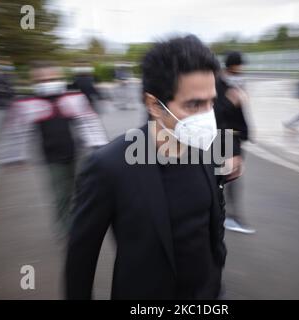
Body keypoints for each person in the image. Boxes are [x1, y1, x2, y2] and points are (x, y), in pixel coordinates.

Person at [65, 35, 230, 300]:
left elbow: (214, 216)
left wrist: (217, 267)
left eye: (212, 102)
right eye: (194, 104)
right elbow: (80, 259)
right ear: (154, 105)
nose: (207, 116)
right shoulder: (109, 166)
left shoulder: (205, 148)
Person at [0, 61, 108, 236]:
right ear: (34, 80)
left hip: (76, 154)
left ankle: (80, 223)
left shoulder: (72, 99)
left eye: (54, 77)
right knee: (61, 195)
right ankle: (68, 233)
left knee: (81, 191)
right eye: (43, 79)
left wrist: (98, 145)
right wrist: (13, 157)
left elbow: (89, 122)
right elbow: (16, 130)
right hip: (52, 159)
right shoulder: (28, 104)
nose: (49, 82)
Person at [214, 51, 255, 234]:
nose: (241, 70)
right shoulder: (217, 84)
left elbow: (241, 111)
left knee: (225, 176)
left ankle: (220, 214)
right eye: (239, 66)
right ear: (231, 66)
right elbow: (215, 113)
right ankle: (230, 217)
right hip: (225, 136)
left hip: (236, 135)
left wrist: (247, 132)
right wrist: (231, 100)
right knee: (231, 176)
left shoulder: (237, 83)